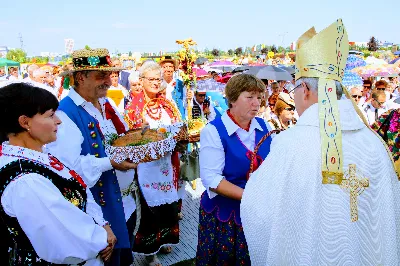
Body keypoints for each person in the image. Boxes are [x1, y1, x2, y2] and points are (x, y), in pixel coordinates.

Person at [241, 19, 400, 266]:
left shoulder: (290, 146)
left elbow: (258, 214)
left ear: (305, 89)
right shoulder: (375, 144)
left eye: (295, 89)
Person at [0, 82, 116, 265]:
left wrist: (102, 224)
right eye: (50, 115)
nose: (58, 121)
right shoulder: (26, 181)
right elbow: (65, 240)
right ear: (25, 122)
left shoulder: (39, 156)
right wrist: (101, 239)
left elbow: (78, 186)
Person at [46, 48, 137, 266]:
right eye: (101, 75)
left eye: (109, 74)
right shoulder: (64, 114)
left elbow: (119, 138)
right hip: (100, 212)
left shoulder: (105, 103)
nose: (108, 80)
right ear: (80, 77)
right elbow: (69, 170)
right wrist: (111, 163)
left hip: (126, 204)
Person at [196, 74, 276, 265]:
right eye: (249, 97)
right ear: (232, 99)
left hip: (259, 213)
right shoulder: (214, 131)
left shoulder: (264, 126)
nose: (256, 103)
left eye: (259, 97)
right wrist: (251, 197)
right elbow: (211, 179)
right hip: (226, 217)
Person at [124, 61, 185, 266]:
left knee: (169, 205)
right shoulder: (133, 108)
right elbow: (130, 139)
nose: (156, 83)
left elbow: (178, 128)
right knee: (149, 210)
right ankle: (150, 254)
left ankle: (165, 239)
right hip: (146, 167)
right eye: (151, 79)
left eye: (158, 79)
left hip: (168, 163)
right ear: (141, 81)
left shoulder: (168, 104)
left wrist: (180, 138)